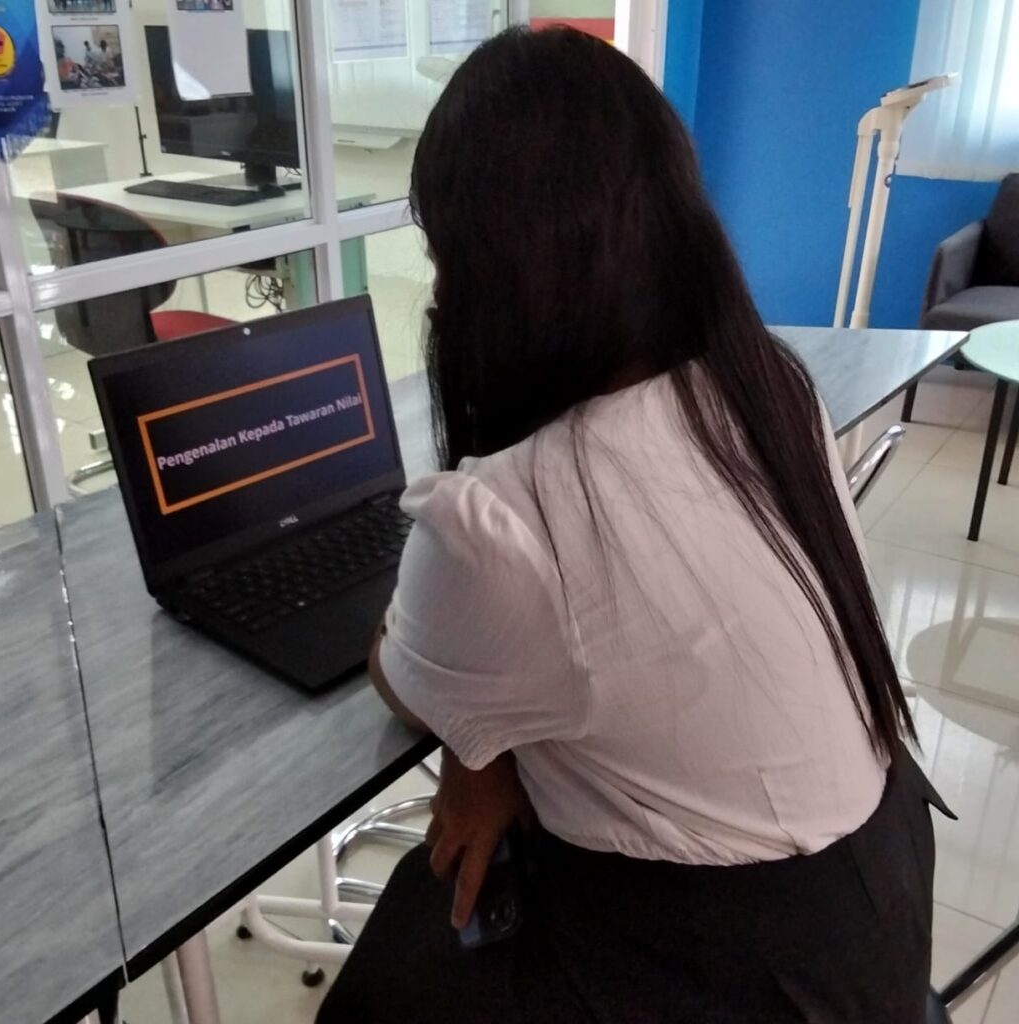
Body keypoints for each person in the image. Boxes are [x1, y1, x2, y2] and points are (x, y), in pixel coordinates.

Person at [317, 26, 953, 1024]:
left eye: (444, 257)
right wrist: (487, 750)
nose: (438, 295)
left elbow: (403, 679)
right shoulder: (762, 393)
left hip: (735, 971)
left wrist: (480, 747)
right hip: (877, 896)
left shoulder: (503, 520)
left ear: (494, 273)